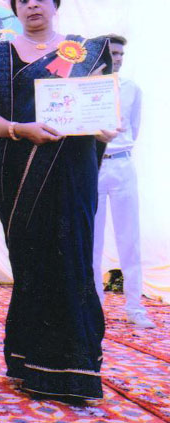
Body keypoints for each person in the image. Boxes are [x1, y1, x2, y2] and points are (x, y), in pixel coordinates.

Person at [0, 0, 118, 400]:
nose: (33, 4)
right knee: (32, 265)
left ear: (55, 3)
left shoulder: (84, 53)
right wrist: (22, 129)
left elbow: (100, 111)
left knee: (71, 262)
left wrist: (104, 127)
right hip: (19, 176)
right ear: (15, 9)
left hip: (72, 175)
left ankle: (74, 372)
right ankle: (29, 364)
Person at [93, 35, 155, 328]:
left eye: (120, 54)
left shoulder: (132, 89)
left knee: (129, 239)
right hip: (94, 166)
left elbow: (134, 127)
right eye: (112, 53)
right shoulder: (89, 86)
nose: (116, 59)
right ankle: (94, 307)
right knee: (92, 239)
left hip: (122, 164)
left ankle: (134, 307)